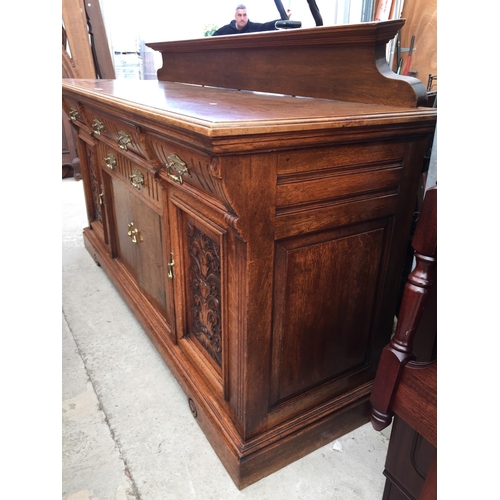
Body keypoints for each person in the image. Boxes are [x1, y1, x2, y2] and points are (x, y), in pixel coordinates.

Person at [212, 4, 291, 36]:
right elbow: (211, 40)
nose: (242, 18)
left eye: (244, 15)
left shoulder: (254, 27)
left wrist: (283, 18)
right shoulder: (225, 31)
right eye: (239, 15)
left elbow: (267, 26)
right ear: (235, 16)